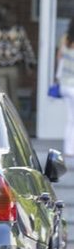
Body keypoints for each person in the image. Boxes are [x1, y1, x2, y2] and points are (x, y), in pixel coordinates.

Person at [0, 4, 36, 109]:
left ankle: (14, 120)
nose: (10, 19)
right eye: (7, 16)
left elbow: (26, 47)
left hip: (13, 67)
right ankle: (3, 118)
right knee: (1, 95)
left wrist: (30, 64)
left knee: (14, 96)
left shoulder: (18, 30)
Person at [57, 18, 74, 156]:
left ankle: (69, 148)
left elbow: (59, 58)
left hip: (65, 84)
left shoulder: (65, 39)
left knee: (70, 117)